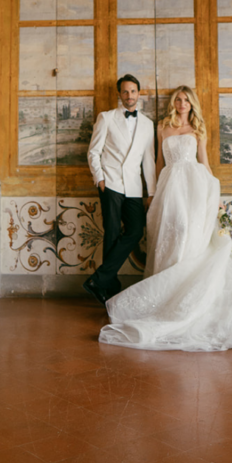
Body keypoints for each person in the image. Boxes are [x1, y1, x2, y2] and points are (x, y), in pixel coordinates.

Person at [98, 86, 232, 351]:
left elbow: (204, 163)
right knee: (171, 234)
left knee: (188, 232)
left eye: (186, 100)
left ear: (192, 104)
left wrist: (216, 198)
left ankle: (189, 291)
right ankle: (169, 293)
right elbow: (158, 162)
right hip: (170, 186)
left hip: (195, 186)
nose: (182, 104)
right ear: (174, 103)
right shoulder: (162, 128)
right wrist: (153, 193)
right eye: (178, 100)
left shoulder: (197, 130)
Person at [84, 74, 156, 305]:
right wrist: (100, 179)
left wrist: (151, 192)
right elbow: (93, 151)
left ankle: (99, 280)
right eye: (125, 92)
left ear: (138, 93)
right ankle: (109, 287)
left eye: (133, 91)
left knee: (135, 231)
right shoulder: (106, 118)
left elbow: (149, 161)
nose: (129, 96)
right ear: (119, 94)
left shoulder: (147, 124)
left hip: (134, 187)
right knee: (112, 233)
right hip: (111, 183)